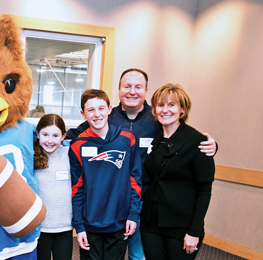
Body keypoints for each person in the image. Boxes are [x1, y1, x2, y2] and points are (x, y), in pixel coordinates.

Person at [66, 68, 217, 260]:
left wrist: (212, 146)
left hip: (144, 200)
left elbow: (186, 141)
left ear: (146, 90)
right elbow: (76, 137)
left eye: (138, 87)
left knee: (138, 256)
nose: (132, 91)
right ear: (119, 89)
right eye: (127, 86)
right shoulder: (106, 115)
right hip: (117, 206)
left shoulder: (157, 120)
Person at [140, 83, 215, 259]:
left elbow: (204, 192)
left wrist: (194, 231)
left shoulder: (197, 142)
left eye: (171, 105)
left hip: (182, 226)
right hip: (151, 224)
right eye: (160, 105)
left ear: (182, 108)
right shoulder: (157, 137)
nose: (165, 110)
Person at [69, 89, 142, 260]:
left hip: (119, 222)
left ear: (110, 109)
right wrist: (79, 226)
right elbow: (76, 189)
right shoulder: (77, 145)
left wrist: (133, 214)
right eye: (90, 110)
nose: (97, 114)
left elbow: (135, 181)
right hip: (90, 225)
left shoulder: (127, 139)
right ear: (83, 114)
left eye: (101, 108)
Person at [34, 114, 73, 260]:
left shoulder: (70, 155)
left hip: (65, 226)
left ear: (63, 136)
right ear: (37, 134)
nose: (50, 141)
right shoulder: (31, 156)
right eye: (45, 134)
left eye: (55, 135)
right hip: (40, 227)